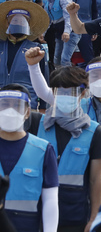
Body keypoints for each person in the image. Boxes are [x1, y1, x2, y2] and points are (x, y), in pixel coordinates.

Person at [32, 64, 101, 232]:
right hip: (38, 214)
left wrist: (95, 216)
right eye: (61, 91)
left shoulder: (95, 132)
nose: (65, 96)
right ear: (53, 93)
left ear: (82, 94)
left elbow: (96, 180)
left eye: (70, 92)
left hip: (74, 215)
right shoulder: (38, 124)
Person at [0, 89, 59, 232]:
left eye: (17, 105)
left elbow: (50, 199)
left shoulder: (43, 150)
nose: (10, 111)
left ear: (27, 112)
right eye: (4, 105)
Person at [0, 0, 50, 108]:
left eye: (22, 21)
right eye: (15, 20)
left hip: (26, 104)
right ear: (7, 22)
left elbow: (45, 77)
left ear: (28, 24)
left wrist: (43, 107)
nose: (18, 23)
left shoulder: (36, 48)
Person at [62, 0, 97, 66]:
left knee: (88, 56)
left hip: (85, 27)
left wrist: (94, 29)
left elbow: (94, 11)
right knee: (68, 58)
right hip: (70, 28)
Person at [38, 0, 76, 66]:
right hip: (59, 32)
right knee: (56, 59)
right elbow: (47, 18)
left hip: (71, 32)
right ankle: (59, 78)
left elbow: (69, 16)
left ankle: (68, 79)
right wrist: (42, 33)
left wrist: (67, 32)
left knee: (65, 59)